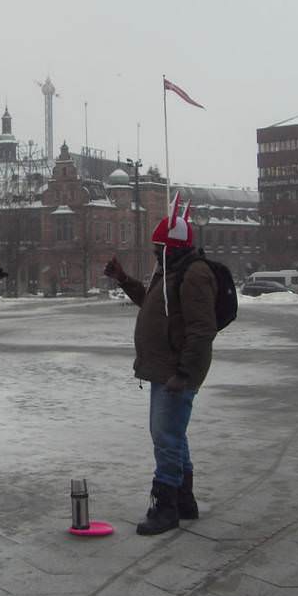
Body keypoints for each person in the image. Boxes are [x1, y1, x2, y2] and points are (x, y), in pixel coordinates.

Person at [104, 195, 218, 535]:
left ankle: (165, 504)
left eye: (160, 247)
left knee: (165, 435)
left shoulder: (193, 274)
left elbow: (202, 329)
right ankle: (184, 499)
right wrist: (124, 279)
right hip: (165, 368)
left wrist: (184, 372)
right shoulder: (169, 272)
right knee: (173, 434)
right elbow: (152, 306)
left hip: (176, 372)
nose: (155, 253)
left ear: (174, 248)